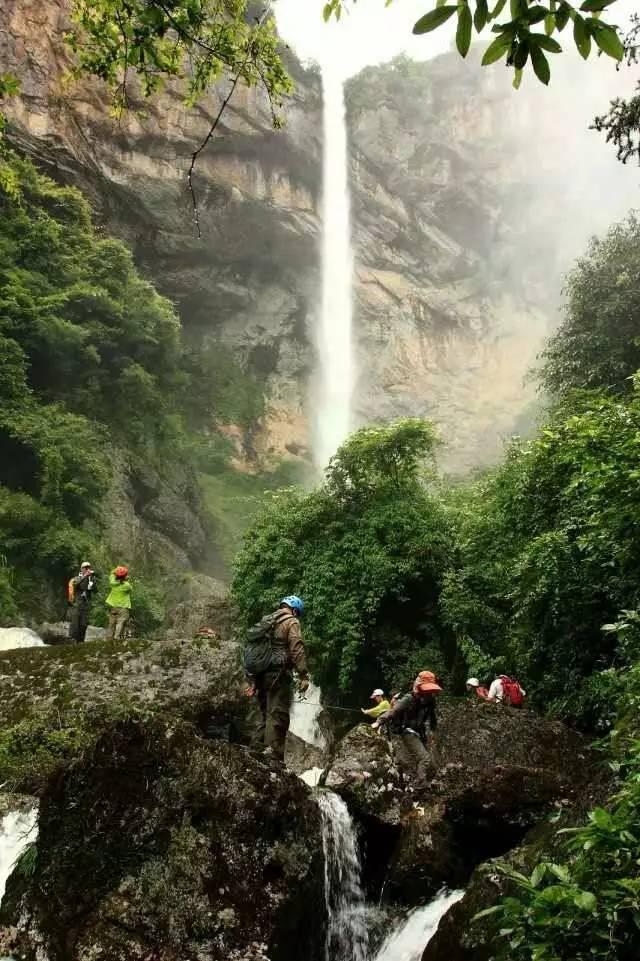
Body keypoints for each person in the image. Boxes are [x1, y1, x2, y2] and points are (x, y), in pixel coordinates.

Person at [246, 595, 310, 761]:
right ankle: (274, 756)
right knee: (278, 713)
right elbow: (297, 648)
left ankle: (255, 750)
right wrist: (303, 674)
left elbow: (254, 648)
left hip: (260, 673)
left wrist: (252, 679)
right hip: (278, 674)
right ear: (295, 610)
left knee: (264, 713)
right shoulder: (291, 621)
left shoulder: (266, 621)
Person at [376, 670, 442, 789]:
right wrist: (379, 721)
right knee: (424, 758)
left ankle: (422, 784)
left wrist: (432, 732)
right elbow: (393, 711)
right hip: (407, 731)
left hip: (419, 732)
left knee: (431, 765)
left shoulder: (431, 700)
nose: (430, 693)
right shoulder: (409, 698)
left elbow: (432, 718)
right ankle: (419, 786)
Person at [67, 561, 97, 643]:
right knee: (75, 624)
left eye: (89, 568)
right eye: (85, 568)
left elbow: (95, 590)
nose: (87, 569)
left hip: (86, 604)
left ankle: (81, 641)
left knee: (83, 624)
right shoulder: (77, 578)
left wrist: (93, 581)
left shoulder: (91, 579)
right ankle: (72, 640)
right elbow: (75, 584)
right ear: (81, 569)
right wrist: (85, 576)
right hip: (76, 604)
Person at [106, 565, 132, 640]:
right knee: (120, 622)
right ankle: (117, 638)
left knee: (112, 623)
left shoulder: (112, 582)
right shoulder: (127, 585)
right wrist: (125, 580)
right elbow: (130, 590)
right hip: (123, 607)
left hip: (113, 606)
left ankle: (109, 639)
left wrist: (117, 570)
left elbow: (112, 573)